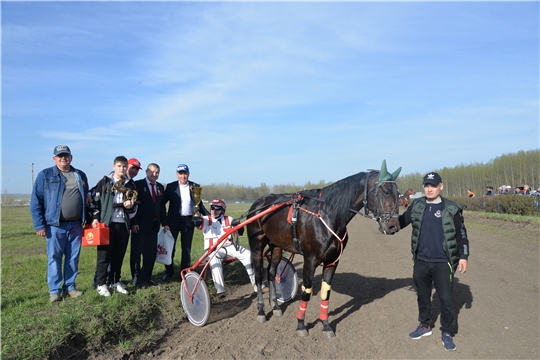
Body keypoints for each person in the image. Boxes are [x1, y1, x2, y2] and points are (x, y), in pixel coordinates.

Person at [398, 172, 469, 352]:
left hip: (443, 262)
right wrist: (388, 225)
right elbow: (402, 222)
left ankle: (447, 332)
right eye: (427, 185)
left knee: (445, 299)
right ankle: (424, 325)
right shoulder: (418, 205)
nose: (429, 189)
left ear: (441, 187)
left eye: (433, 185)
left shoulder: (452, 208)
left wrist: (463, 257)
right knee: (422, 296)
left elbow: (461, 234)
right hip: (421, 261)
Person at [30, 145, 89, 302]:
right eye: (60, 156)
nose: (63, 158)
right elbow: (36, 201)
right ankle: (54, 290)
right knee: (54, 257)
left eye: (66, 155)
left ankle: (70, 287)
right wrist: (39, 225)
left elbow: (86, 198)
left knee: (73, 257)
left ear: (71, 157)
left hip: (76, 224)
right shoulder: (45, 175)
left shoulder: (80, 175)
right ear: (54, 158)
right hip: (55, 225)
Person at [193, 199, 267, 297]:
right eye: (212, 208)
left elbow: (240, 232)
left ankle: (258, 286)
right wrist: (196, 215)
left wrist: (239, 226)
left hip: (230, 247)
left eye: (217, 209)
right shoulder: (207, 219)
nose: (213, 211)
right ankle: (220, 290)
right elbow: (197, 223)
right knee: (215, 258)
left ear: (222, 210)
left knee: (248, 255)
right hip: (213, 249)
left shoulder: (229, 219)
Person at [89, 156, 137, 296]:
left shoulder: (130, 185)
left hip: (123, 224)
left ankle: (115, 281)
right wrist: (95, 218)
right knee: (104, 255)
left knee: (119, 255)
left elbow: (134, 209)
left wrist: (129, 207)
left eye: (124, 166)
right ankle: (101, 284)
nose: (122, 169)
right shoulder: (105, 182)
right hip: (107, 224)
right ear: (113, 166)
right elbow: (95, 200)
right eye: (119, 166)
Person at [161, 164, 209, 281]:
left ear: (188, 174)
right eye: (181, 174)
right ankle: (169, 271)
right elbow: (162, 203)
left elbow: (199, 205)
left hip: (188, 221)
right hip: (173, 221)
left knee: (186, 248)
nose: (183, 176)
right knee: (171, 248)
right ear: (177, 175)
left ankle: (185, 272)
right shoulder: (171, 186)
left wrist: (209, 216)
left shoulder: (195, 187)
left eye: (185, 173)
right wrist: (164, 221)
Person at [130, 163, 166, 288]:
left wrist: (164, 223)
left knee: (150, 253)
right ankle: (136, 278)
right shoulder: (138, 185)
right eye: (152, 172)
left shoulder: (160, 187)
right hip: (139, 225)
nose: (154, 174)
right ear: (146, 172)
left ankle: (147, 276)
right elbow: (133, 205)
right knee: (136, 253)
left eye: (157, 172)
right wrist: (133, 222)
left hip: (154, 226)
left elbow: (161, 207)